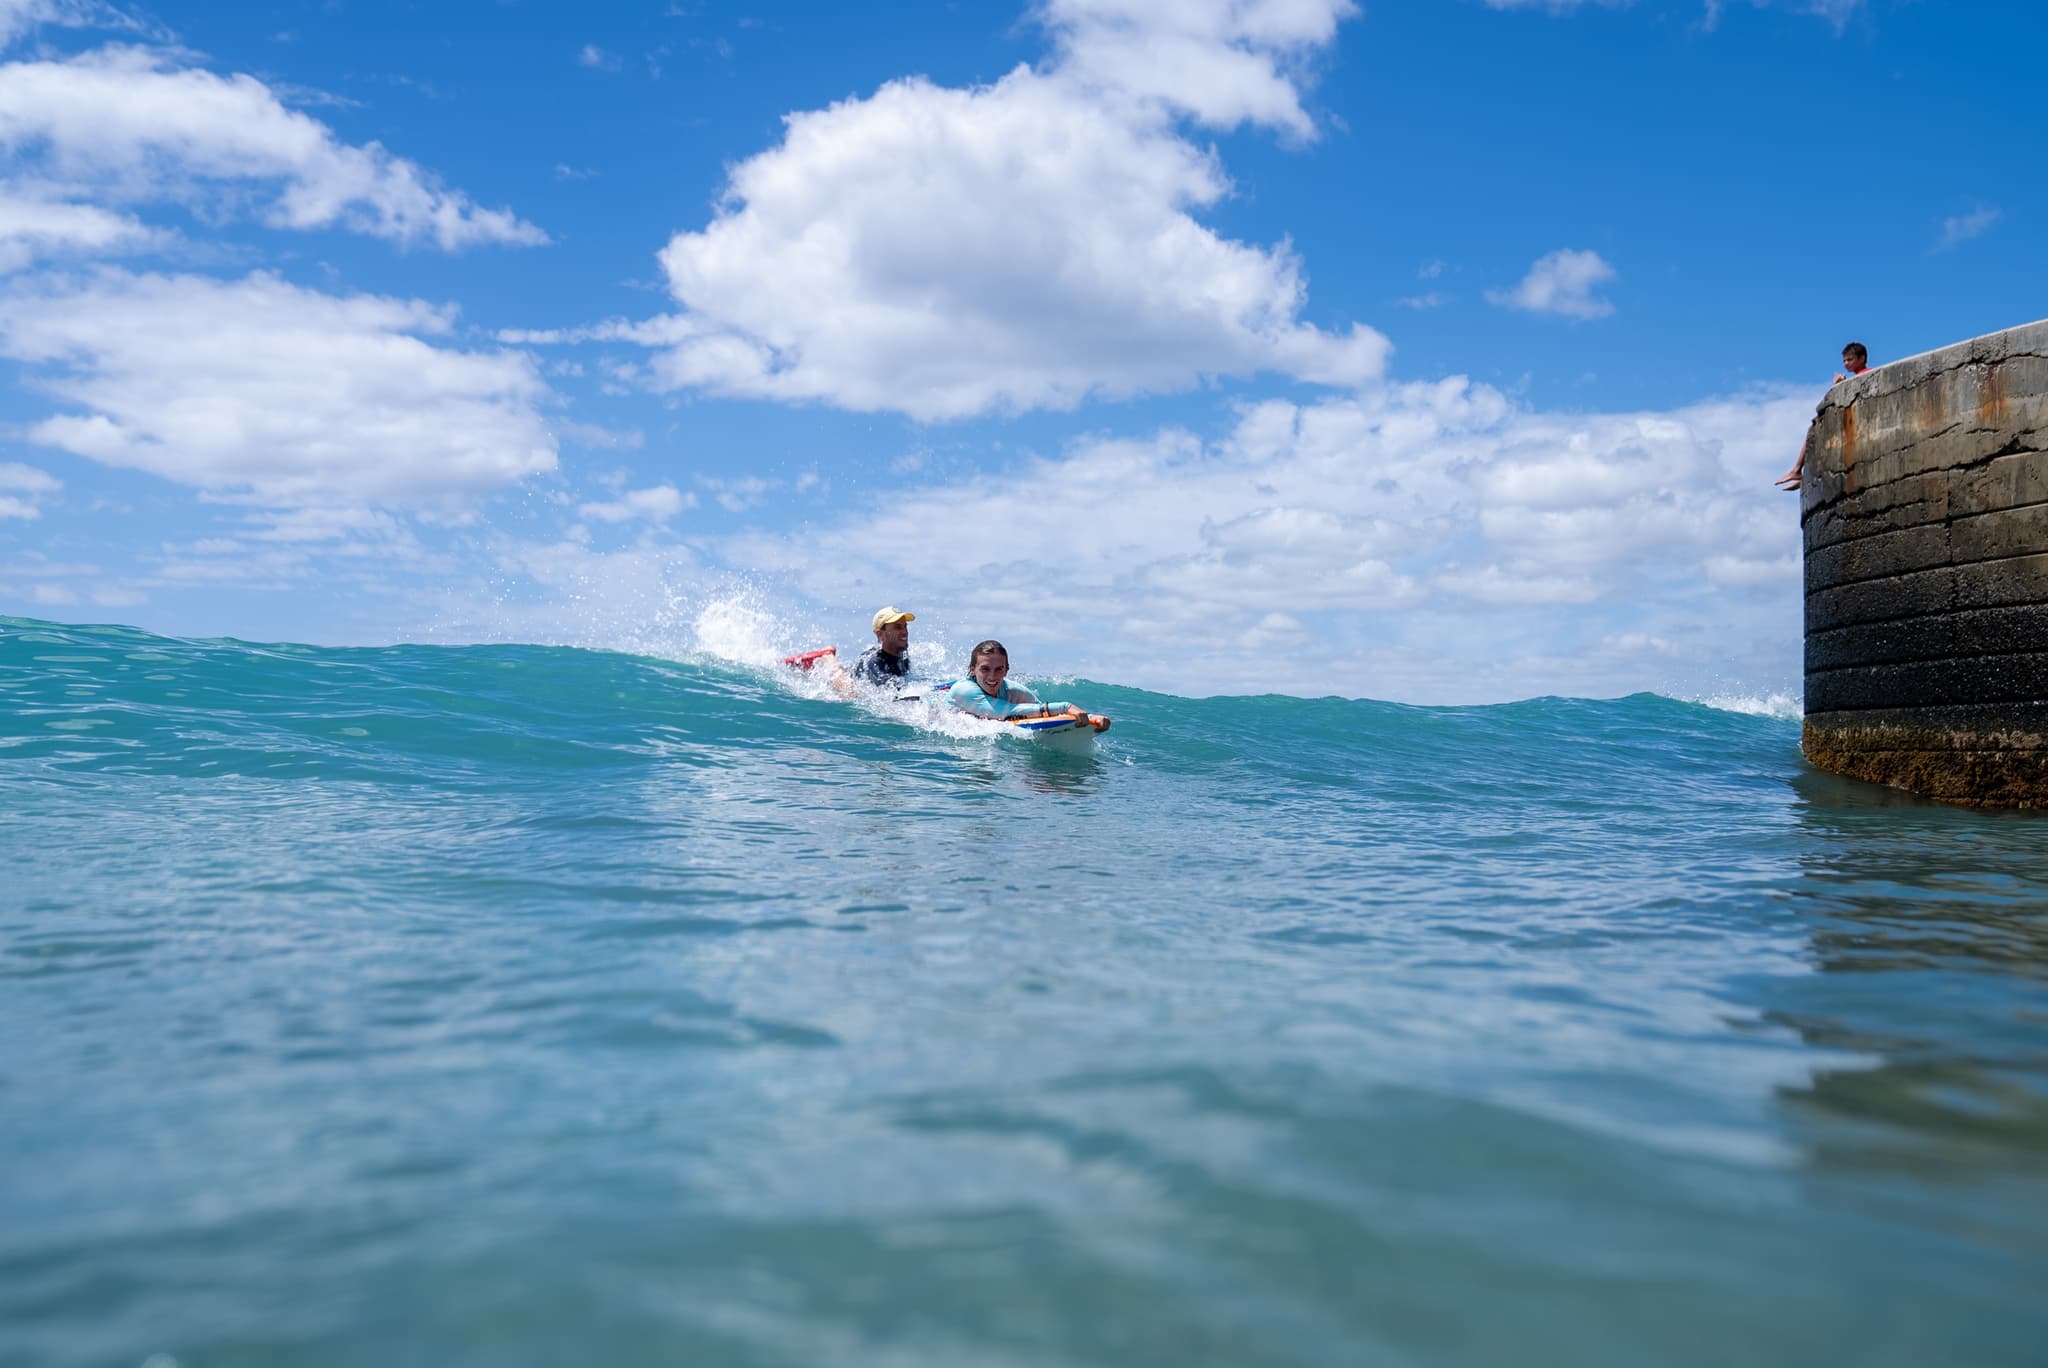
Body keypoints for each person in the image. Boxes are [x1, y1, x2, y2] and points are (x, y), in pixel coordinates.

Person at [1776, 342, 1871, 490]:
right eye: (1844, 360)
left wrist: (1840, 386)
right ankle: (1803, 474)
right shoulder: (1855, 377)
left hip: (1857, 421)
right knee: (1814, 431)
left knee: (1814, 430)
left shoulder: (1866, 374)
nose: (1846, 364)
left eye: (1850, 360)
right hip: (1850, 419)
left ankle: (1797, 471)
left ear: (1862, 358)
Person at [946, 639, 1085, 721]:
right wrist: (1065, 707)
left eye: (999, 669)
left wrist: (1089, 718)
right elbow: (1003, 712)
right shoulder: (963, 691)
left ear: (1007, 670)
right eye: (985, 669)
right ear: (972, 669)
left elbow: (1037, 708)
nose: (992, 677)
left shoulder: (1012, 690)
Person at [848, 606, 915, 686]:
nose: (905, 632)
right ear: (880, 634)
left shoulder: (903, 654)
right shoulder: (874, 664)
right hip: (849, 684)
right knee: (843, 682)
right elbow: (893, 691)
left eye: (905, 626)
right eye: (898, 627)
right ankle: (830, 656)